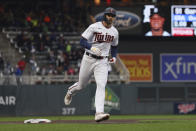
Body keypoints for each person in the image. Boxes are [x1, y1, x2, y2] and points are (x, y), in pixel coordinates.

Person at [64, 7, 119, 122]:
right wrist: (91, 47)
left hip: (102, 61)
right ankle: (70, 91)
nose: (110, 17)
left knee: (101, 85)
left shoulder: (114, 32)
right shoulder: (94, 27)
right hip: (89, 58)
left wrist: (113, 57)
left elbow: (114, 46)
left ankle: (99, 113)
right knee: (81, 85)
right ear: (105, 15)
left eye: (112, 16)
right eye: (108, 15)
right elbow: (82, 41)